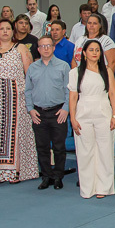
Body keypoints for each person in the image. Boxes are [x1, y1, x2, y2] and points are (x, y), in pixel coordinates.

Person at [0, 19, 36, 183]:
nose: (5, 31)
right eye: (1, 29)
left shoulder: (21, 49)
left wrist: (30, 98)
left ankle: (16, 172)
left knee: (15, 134)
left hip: (17, 96)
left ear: (13, 31)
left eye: (8, 28)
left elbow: (30, 74)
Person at [69, 39, 115, 197]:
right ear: (84, 53)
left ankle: (104, 188)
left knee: (105, 150)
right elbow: (73, 97)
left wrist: (114, 115)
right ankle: (88, 188)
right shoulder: (75, 72)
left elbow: (112, 94)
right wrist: (72, 118)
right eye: (91, 50)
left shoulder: (107, 70)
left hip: (103, 112)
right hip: (83, 113)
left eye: (97, 50)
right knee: (85, 152)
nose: (95, 53)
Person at [25, 35, 71, 190]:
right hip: (38, 113)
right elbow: (27, 91)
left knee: (59, 147)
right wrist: (30, 109)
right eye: (42, 46)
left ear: (53, 47)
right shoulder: (32, 67)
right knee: (42, 147)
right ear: (38, 49)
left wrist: (66, 109)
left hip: (58, 112)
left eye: (48, 46)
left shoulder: (63, 66)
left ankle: (58, 177)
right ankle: (46, 176)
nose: (45, 48)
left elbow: (69, 91)